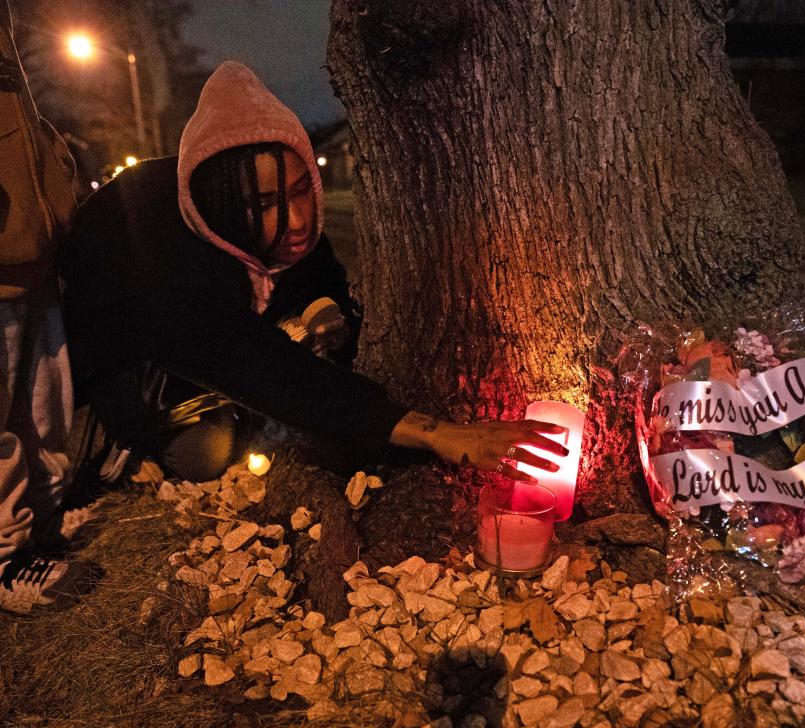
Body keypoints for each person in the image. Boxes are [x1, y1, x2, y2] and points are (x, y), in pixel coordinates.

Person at [58, 61, 566, 491]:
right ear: (221, 203)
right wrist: (434, 433)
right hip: (123, 366)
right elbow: (258, 366)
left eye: (303, 190)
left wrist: (325, 305)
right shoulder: (160, 268)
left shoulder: (268, 215)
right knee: (205, 454)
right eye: (265, 204)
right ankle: (125, 440)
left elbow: (316, 277)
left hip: (217, 340)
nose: (297, 221)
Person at [0, 0, 96, 613]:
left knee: (44, 412)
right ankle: (6, 563)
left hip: (33, 266)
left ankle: (41, 525)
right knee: (5, 425)